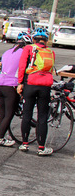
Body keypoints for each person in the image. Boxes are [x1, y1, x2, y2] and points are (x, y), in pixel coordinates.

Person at [17, 28, 56, 156]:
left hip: (30, 84)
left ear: (34, 39)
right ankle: (41, 147)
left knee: (27, 113)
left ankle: (25, 143)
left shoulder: (28, 49)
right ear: (46, 40)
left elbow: (22, 66)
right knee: (42, 116)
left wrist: (20, 82)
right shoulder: (50, 52)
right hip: (45, 86)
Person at [0, 32, 31, 147]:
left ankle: (2, 136)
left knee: (2, 112)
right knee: (9, 113)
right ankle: (0, 138)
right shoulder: (24, 53)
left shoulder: (7, 52)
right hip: (11, 85)